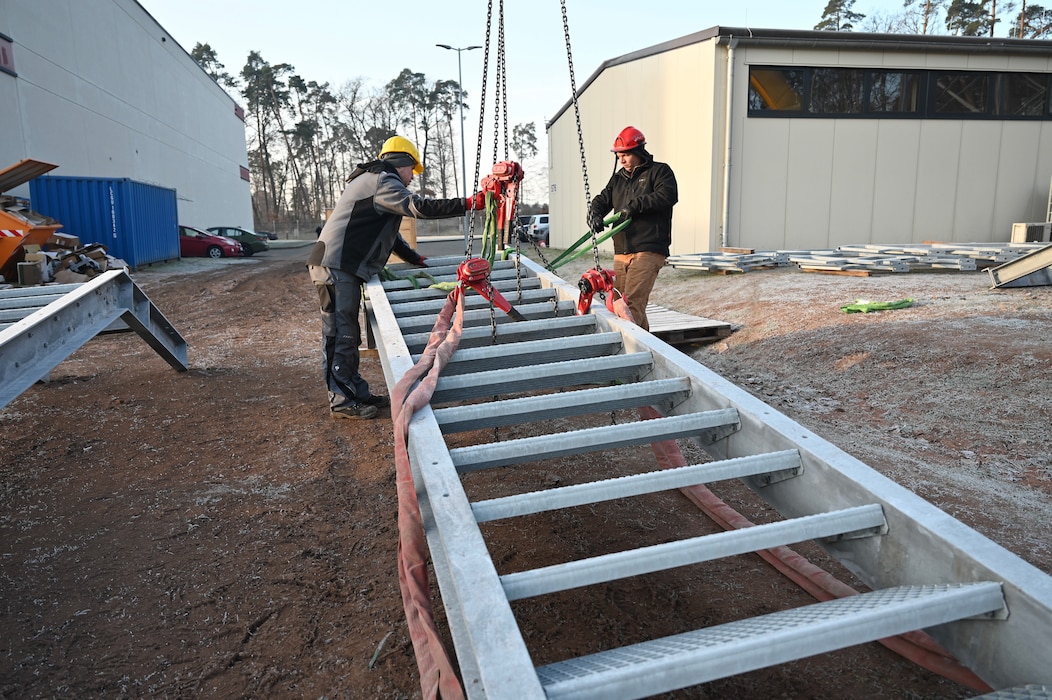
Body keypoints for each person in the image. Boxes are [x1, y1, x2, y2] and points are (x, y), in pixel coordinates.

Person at [307, 135, 485, 420]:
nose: (412, 177)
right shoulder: (382, 180)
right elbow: (420, 208)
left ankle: (354, 391)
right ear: (401, 162)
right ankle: (341, 400)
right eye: (412, 170)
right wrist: (469, 203)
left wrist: (416, 259)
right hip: (335, 266)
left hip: (339, 265)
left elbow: (388, 237)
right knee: (340, 333)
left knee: (347, 331)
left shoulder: (376, 182)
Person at [587, 126, 678, 332]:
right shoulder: (618, 178)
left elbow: (668, 195)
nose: (622, 160)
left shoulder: (659, 171)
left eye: (626, 155)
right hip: (622, 252)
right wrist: (595, 213)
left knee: (629, 305)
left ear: (639, 151)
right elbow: (602, 200)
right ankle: (649, 349)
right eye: (619, 156)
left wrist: (636, 205)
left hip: (648, 248)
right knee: (619, 306)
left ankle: (628, 354)